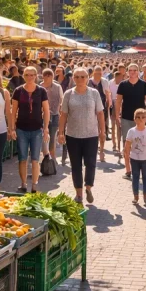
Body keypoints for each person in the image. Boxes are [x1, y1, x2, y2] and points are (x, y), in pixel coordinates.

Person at [58, 68, 106, 204]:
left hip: (91, 135)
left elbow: (100, 113)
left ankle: (88, 187)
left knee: (90, 163)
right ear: (73, 78)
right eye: (77, 77)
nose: (80, 79)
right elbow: (64, 115)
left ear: (87, 78)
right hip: (73, 135)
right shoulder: (68, 94)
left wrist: (102, 131)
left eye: (83, 77)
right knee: (76, 165)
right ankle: (79, 194)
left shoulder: (94, 93)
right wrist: (61, 132)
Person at [10, 66, 50, 193]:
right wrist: (12, 128)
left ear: (36, 76)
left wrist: (46, 128)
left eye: (32, 75)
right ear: (23, 76)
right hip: (21, 129)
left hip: (37, 130)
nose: (29, 77)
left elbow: (46, 111)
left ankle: (34, 185)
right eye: (27, 75)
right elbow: (13, 111)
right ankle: (23, 184)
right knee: (22, 158)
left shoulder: (41, 91)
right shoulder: (18, 91)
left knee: (35, 159)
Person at [115, 64, 146, 176]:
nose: (132, 72)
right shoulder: (123, 84)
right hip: (126, 117)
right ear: (127, 72)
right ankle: (128, 169)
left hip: (141, 118)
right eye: (130, 70)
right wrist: (117, 114)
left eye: (134, 70)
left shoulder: (144, 84)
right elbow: (118, 101)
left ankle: (143, 167)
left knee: (143, 143)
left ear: (138, 71)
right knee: (127, 143)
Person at [124, 108, 146, 205]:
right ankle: (135, 196)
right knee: (135, 177)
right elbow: (127, 144)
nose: (140, 119)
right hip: (134, 159)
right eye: (138, 117)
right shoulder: (131, 131)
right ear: (134, 119)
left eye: (143, 117)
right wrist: (126, 156)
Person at [42, 68, 64, 162]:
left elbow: (61, 100)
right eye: (45, 75)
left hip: (54, 115)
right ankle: (45, 156)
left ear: (52, 76)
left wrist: (60, 112)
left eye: (49, 75)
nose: (47, 78)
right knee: (44, 137)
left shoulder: (57, 87)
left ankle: (52, 156)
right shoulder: (40, 87)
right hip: (42, 116)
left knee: (52, 136)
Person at [107, 66, 125, 151]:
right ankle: (114, 144)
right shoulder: (110, 83)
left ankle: (118, 145)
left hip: (121, 105)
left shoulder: (123, 84)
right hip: (113, 105)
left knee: (119, 127)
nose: (119, 79)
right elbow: (109, 95)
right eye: (118, 78)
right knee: (113, 125)